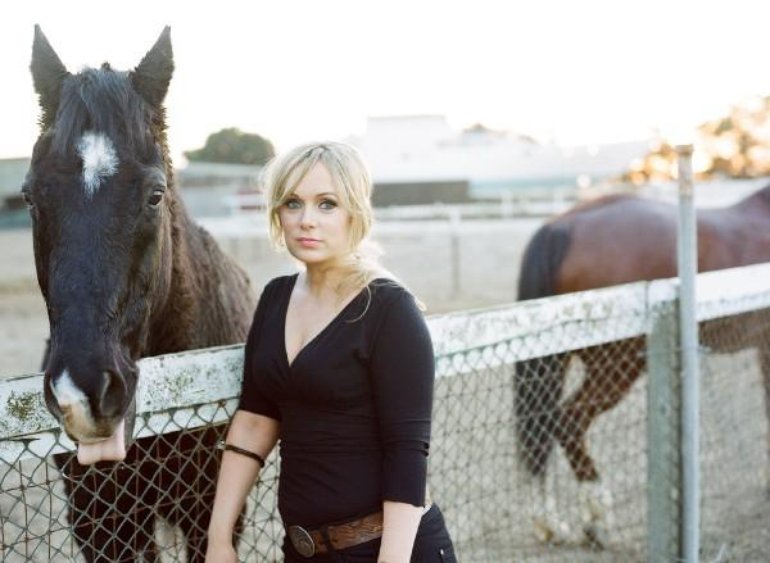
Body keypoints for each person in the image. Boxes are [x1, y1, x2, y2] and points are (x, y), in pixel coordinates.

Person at [205, 141, 456, 562]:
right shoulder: (274, 299)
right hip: (302, 551)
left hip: (387, 550)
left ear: (355, 212)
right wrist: (219, 538)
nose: (306, 221)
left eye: (327, 204)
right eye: (292, 203)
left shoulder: (388, 309)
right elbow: (253, 421)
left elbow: (407, 453)